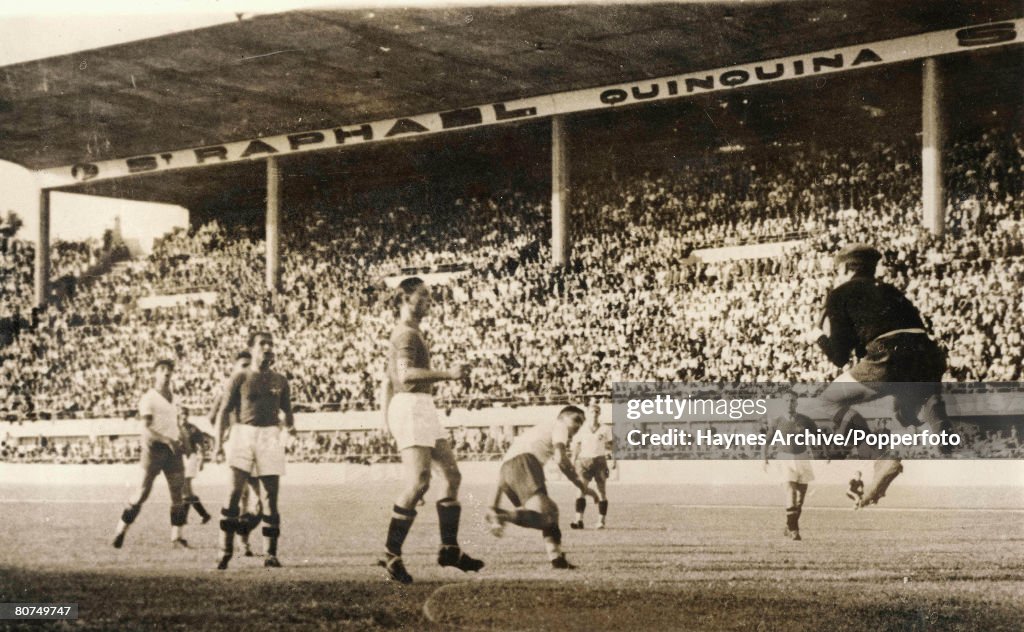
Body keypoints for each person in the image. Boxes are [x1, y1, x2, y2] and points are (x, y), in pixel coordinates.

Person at [810, 244, 954, 507]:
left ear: (844, 268)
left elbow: (840, 357)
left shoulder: (839, 294)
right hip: (929, 356)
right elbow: (916, 329)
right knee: (907, 408)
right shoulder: (891, 291)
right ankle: (935, 414)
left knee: (827, 400)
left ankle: (881, 457)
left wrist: (818, 337)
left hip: (889, 354)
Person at [379, 277, 483, 584]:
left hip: (419, 405)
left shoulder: (412, 334)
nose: (429, 302)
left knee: (451, 476)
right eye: (423, 296)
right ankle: (390, 554)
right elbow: (407, 376)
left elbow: (387, 381)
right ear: (405, 299)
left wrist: (385, 420)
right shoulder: (406, 335)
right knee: (419, 482)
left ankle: (449, 549)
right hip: (411, 404)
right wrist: (449, 374)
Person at [213, 332, 295, 570]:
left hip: (270, 435)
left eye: (271, 344)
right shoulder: (240, 377)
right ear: (251, 349)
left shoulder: (281, 381)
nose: (268, 348)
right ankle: (224, 550)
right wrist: (218, 445)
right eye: (263, 344)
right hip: (243, 433)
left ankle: (270, 554)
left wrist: (290, 429)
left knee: (270, 497)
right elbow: (222, 413)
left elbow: (287, 413)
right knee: (233, 493)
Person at [487, 406, 598, 569]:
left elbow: (503, 470)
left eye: (581, 424)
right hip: (526, 464)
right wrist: (582, 487)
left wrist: (492, 505)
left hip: (507, 473)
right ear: (562, 417)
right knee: (546, 516)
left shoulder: (536, 432)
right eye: (576, 420)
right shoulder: (559, 426)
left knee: (550, 512)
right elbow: (561, 459)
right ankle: (504, 516)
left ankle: (557, 558)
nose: (578, 426)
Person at [112, 359, 189, 549]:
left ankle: (176, 538)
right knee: (141, 493)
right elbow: (145, 429)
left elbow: (176, 424)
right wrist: (167, 440)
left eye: (169, 370)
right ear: (155, 373)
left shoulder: (174, 397)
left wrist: (184, 441)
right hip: (154, 450)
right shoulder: (149, 398)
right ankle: (120, 531)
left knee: (178, 494)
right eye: (162, 369)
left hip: (173, 451)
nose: (166, 373)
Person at [762, 390, 824, 541]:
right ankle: (794, 530)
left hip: (802, 458)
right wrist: (764, 458)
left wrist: (825, 452)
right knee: (791, 492)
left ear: (797, 403)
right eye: (786, 401)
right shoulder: (777, 421)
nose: (789, 403)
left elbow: (819, 436)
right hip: (784, 458)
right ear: (783, 403)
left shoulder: (805, 420)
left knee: (800, 500)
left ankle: (789, 526)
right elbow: (767, 441)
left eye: (792, 401)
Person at [569, 403, 613, 530]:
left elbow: (611, 445)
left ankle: (601, 521)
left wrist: (613, 459)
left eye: (596, 412)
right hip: (584, 461)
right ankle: (578, 520)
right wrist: (573, 459)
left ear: (599, 414)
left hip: (599, 461)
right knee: (580, 490)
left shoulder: (605, 428)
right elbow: (577, 445)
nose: (594, 414)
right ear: (587, 414)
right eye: (592, 412)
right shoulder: (581, 428)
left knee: (601, 491)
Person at [180, 421, 212, 525]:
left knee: (185, 487)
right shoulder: (176, 426)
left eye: (185, 414)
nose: (183, 416)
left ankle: (184, 518)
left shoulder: (192, 428)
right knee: (187, 491)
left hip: (190, 457)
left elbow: (201, 442)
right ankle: (204, 515)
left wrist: (202, 458)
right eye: (181, 414)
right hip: (180, 458)